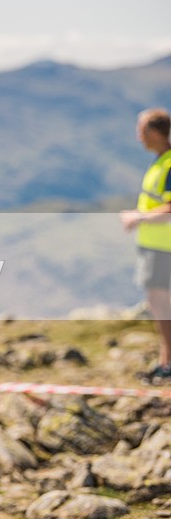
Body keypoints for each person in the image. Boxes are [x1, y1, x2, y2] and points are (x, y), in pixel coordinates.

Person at [121, 108, 171, 384]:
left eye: (141, 131)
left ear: (153, 132)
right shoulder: (160, 162)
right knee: (159, 302)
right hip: (155, 243)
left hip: (163, 244)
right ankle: (165, 361)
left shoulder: (169, 164)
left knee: (159, 302)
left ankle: (168, 363)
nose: (139, 137)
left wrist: (137, 218)